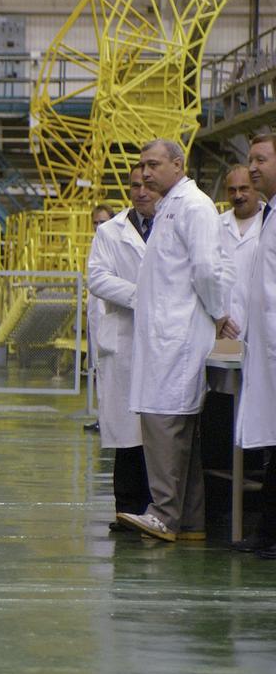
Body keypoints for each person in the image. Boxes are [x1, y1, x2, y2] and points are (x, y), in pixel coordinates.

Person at [118, 139, 234, 542]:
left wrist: (220, 314)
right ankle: (189, 522)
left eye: (153, 165)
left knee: (166, 426)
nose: (145, 173)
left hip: (177, 338)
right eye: (141, 166)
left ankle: (164, 515)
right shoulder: (171, 206)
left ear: (177, 164)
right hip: (165, 337)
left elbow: (207, 269)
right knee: (177, 432)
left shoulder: (194, 206)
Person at [87, 167, 158, 532]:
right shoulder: (110, 232)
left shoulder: (175, 225)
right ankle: (126, 510)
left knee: (160, 433)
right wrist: (142, 296)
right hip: (127, 340)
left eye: (147, 184)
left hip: (165, 342)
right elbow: (97, 278)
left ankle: (158, 508)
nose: (141, 191)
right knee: (128, 436)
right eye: (134, 185)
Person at [231, 135, 276, 556]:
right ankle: (267, 534)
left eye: (261, 159)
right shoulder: (270, 214)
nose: (254, 167)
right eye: (250, 160)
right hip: (264, 350)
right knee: (270, 446)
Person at [84, 204, 117, 432]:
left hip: (109, 319)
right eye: (96, 222)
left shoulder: (114, 246)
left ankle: (108, 419)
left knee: (108, 371)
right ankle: (102, 417)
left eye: (103, 222)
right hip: (96, 318)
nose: (99, 226)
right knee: (98, 369)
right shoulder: (95, 245)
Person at [220, 164, 264, 332]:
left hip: (263, 326)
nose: (237, 196)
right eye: (232, 190)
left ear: (256, 188)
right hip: (223, 327)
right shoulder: (216, 225)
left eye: (244, 189)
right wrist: (217, 315)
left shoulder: (270, 224)